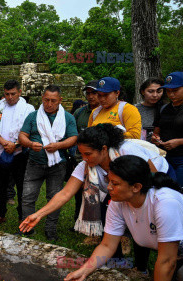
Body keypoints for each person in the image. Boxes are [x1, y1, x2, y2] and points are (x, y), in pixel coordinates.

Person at [20, 124, 170, 267]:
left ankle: (141, 267)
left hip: (153, 182)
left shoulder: (127, 151)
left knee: (140, 219)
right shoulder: (85, 166)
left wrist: (137, 201)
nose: (84, 158)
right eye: (82, 154)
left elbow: (151, 176)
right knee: (107, 212)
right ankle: (116, 260)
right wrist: (38, 215)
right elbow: (65, 193)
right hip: (122, 193)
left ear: (104, 149)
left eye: (88, 154)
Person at [63, 155, 183, 281]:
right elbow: (107, 245)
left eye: (115, 183)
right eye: (109, 181)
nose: (109, 188)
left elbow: (167, 261)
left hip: (175, 255)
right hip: (175, 255)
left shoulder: (164, 203)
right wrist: (84, 270)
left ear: (136, 187)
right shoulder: (117, 202)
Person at [18, 85, 78, 240]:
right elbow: (22, 135)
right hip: (34, 163)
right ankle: (26, 228)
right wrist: (31, 144)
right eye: (46, 100)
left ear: (60, 100)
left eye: (53, 100)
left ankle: (51, 229)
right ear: (42, 99)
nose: (49, 104)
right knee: (28, 196)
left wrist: (58, 145)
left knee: (54, 198)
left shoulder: (67, 118)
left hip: (58, 165)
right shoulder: (33, 116)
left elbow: (73, 138)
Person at [0, 80, 34, 226]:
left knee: (21, 186)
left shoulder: (28, 108)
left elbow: (31, 129)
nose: (10, 97)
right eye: (7, 94)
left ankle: (22, 216)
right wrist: (3, 142)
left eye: (13, 94)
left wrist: (15, 144)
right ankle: (0, 214)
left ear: (20, 92)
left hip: (20, 152)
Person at [71, 80, 100, 225]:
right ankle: (78, 219)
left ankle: (96, 225)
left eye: (94, 93)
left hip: (99, 161)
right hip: (79, 159)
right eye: (88, 93)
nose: (90, 96)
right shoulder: (80, 112)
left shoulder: (104, 112)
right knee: (79, 193)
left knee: (96, 195)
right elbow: (73, 133)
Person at [152, 71, 183, 187]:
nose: (171, 94)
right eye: (168, 91)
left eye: (175, 91)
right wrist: (156, 139)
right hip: (165, 157)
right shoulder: (163, 108)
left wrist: (179, 142)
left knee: (180, 190)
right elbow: (157, 131)